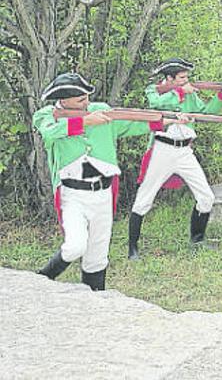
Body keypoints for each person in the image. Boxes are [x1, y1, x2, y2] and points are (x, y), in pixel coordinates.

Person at [33, 73, 180, 290]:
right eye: (81, 99)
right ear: (63, 100)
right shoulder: (46, 114)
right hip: (72, 195)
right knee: (75, 246)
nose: (87, 102)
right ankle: (40, 280)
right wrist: (84, 121)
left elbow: (130, 126)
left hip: (102, 193)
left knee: (97, 255)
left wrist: (164, 121)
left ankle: (96, 301)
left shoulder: (100, 109)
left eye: (86, 98)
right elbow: (50, 133)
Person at [128, 58, 222, 260]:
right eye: (182, 78)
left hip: (185, 151)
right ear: (169, 78)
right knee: (144, 199)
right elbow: (156, 104)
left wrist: (221, 96)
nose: (186, 81)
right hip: (162, 150)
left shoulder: (188, 93)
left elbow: (206, 113)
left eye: (187, 78)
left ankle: (197, 240)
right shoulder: (153, 90)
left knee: (206, 197)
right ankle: (132, 248)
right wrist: (182, 92)